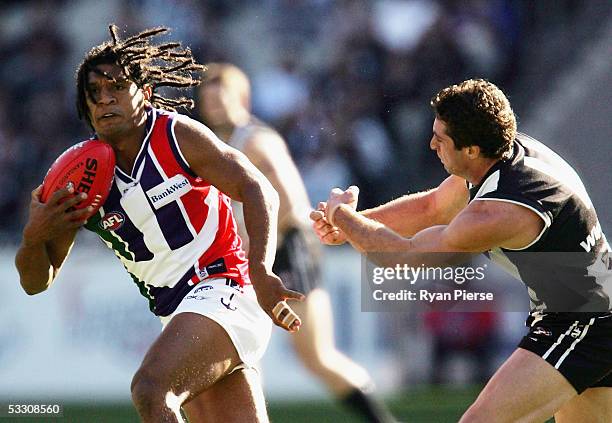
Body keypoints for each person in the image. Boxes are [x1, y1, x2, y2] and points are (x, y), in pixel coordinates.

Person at [14, 25, 305, 423]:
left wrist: (261, 270)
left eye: (116, 87)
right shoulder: (80, 178)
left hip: (227, 288)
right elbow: (36, 281)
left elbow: (259, 190)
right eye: (94, 94)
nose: (104, 100)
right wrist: (35, 235)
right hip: (179, 312)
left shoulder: (176, 135)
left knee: (151, 389)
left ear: (146, 93)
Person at [311, 79, 612, 422]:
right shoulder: (499, 154)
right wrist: (348, 226)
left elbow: (402, 256)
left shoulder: (499, 211)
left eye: (440, 139)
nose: (431, 145)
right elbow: (432, 207)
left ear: (470, 149)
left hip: (586, 320)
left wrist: (341, 215)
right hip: (589, 310)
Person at [196, 63, 396, 423]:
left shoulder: (255, 141)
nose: (213, 107)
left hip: (286, 249)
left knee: (315, 357)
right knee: (234, 352)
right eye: (207, 100)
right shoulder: (220, 145)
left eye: (220, 98)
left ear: (242, 97)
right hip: (260, 254)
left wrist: (255, 251)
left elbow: (289, 203)